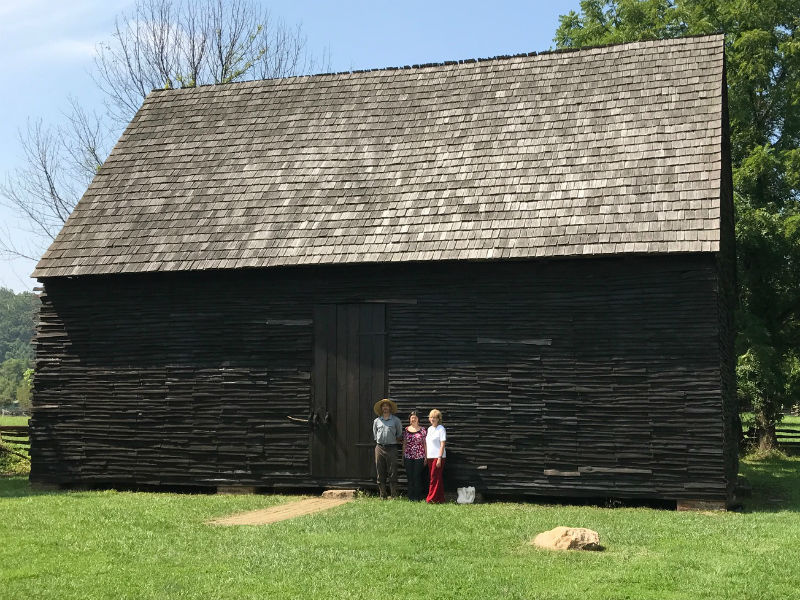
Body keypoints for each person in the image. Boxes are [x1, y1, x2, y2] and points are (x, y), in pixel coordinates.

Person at [372, 398, 403, 499]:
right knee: (380, 470)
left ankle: (393, 495)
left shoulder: (396, 420)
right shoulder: (376, 421)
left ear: (390, 408)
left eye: (387, 405)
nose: (385, 407)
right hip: (379, 448)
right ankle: (383, 495)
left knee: (392, 470)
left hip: (392, 448)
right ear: (381, 408)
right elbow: (375, 435)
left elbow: (399, 435)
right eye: (383, 406)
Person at [402, 411, 427, 501]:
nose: (413, 419)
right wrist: (402, 457)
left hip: (419, 456)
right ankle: (410, 496)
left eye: (415, 417)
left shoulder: (423, 430)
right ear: (409, 419)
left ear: (418, 419)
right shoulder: (406, 430)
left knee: (417, 476)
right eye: (412, 418)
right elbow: (404, 443)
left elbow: (425, 444)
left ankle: (417, 496)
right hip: (408, 456)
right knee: (410, 476)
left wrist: (425, 457)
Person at [425, 409, 446, 503]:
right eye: (431, 417)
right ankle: (440, 498)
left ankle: (430, 498)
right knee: (437, 478)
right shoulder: (429, 429)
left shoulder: (441, 429)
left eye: (434, 417)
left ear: (438, 419)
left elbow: (442, 444)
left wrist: (439, 458)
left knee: (434, 477)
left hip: (438, 457)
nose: (432, 419)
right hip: (430, 457)